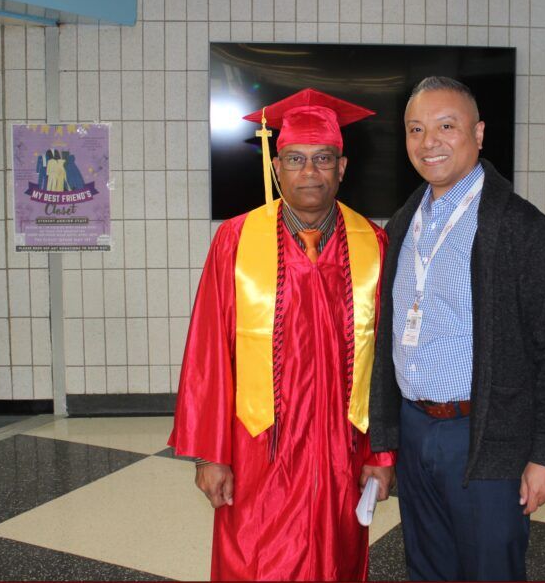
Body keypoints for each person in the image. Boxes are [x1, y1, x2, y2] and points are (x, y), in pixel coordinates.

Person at [169, 88, 395, 582]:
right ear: (276, 167)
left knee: (335, 559)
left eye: (323, 158)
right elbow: (209, 352)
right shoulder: (235, 241)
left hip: (341, 452)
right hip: (256, 452)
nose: (309, 171)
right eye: (295, 159)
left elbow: (388, 363)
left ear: (342, 167)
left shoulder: (374, 245)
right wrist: (210, 454)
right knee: (254, 561)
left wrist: (381, 454)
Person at [369, 76, 545, 581]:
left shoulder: (518, 226)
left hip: (487, 436)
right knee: (427, 570)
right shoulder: (402, 225)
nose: (429, 142)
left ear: (479, 133)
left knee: (490, 570)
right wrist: (386, 438)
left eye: (446, 126)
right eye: (416, 129)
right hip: (416, 429)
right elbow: (385, 341)